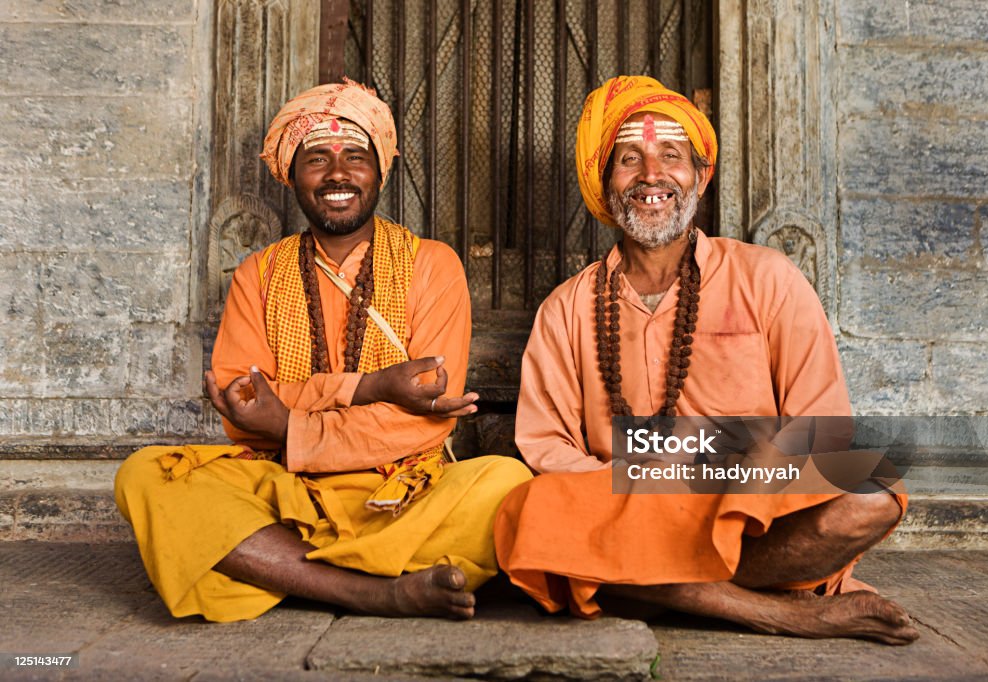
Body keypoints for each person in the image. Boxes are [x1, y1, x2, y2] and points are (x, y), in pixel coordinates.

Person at [494, 76, 919, 645]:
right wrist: (643, 486)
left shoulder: (767, 277)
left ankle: (661, 585)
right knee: (528, 510)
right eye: (628, 159)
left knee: (874, 486)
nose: (651, 175)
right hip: (626, 504)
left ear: (701, 175)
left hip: (750, 500)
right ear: (605, 182)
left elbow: (822, 426)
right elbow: (547, 446)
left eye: (671, 156)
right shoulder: (565, 309)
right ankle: (776, 611)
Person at [115, 79, 532, 623]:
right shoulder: (257, 274)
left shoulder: (432, 264)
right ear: (292, 176)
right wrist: (373, 387)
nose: (338, 174)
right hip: (282, 485)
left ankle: (284, 570)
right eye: (316, 158)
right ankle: (374, 589)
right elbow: (244, 407)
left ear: (380, 172)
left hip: (400, 488)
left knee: (506, 484)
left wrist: (291, 421)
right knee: (144, 475)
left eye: (355, 156)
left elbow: (426, 419)